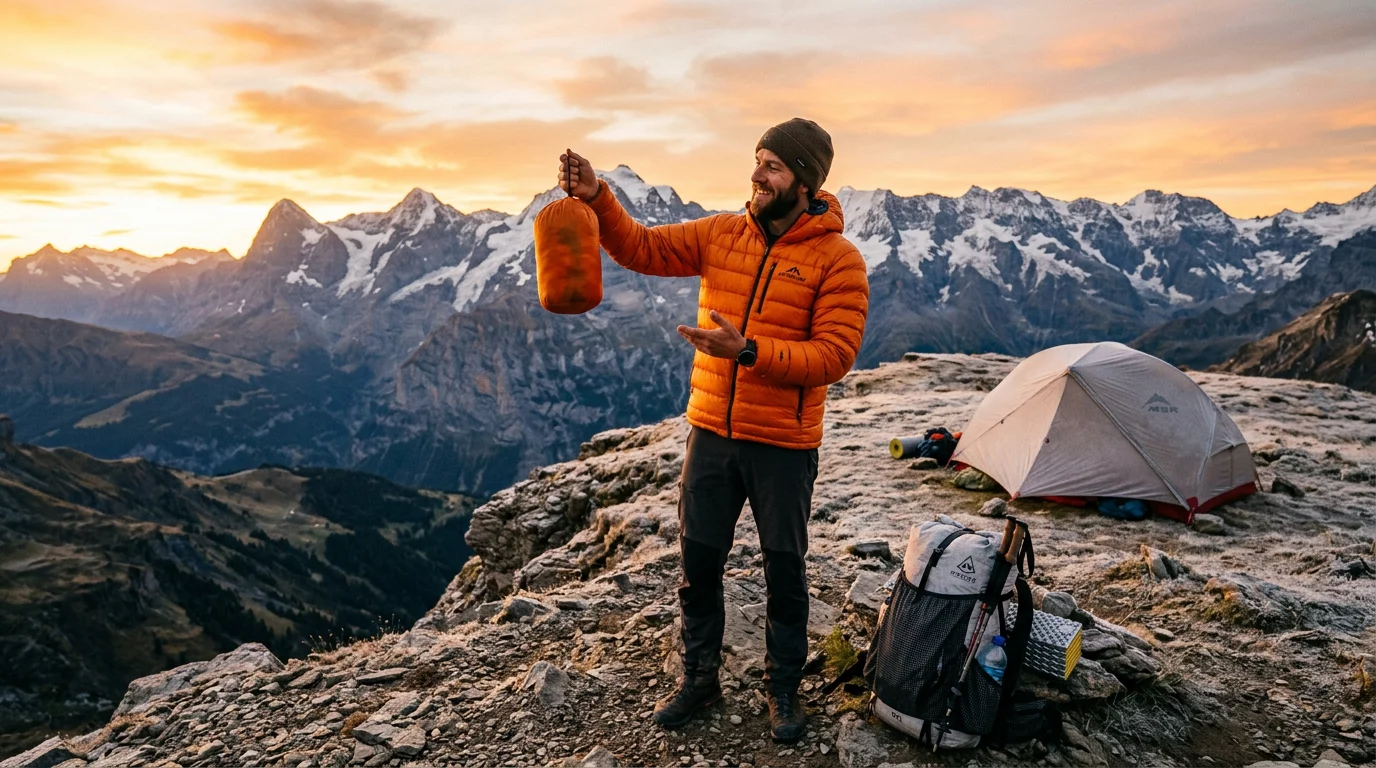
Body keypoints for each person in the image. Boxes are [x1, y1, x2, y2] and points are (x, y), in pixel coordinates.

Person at [557, 118, 869, 743]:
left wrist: (748, 350)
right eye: (757, 160)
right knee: (698, 564)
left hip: (783, 444)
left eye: (773, 166)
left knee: (785, 571)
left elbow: (834, 356)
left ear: (804, 181)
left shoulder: (839, 260)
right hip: (712, 434)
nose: (757, 174)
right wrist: (597, 196)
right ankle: (699, 678)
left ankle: (783, 689)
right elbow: (642, 248)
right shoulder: (721, 233)